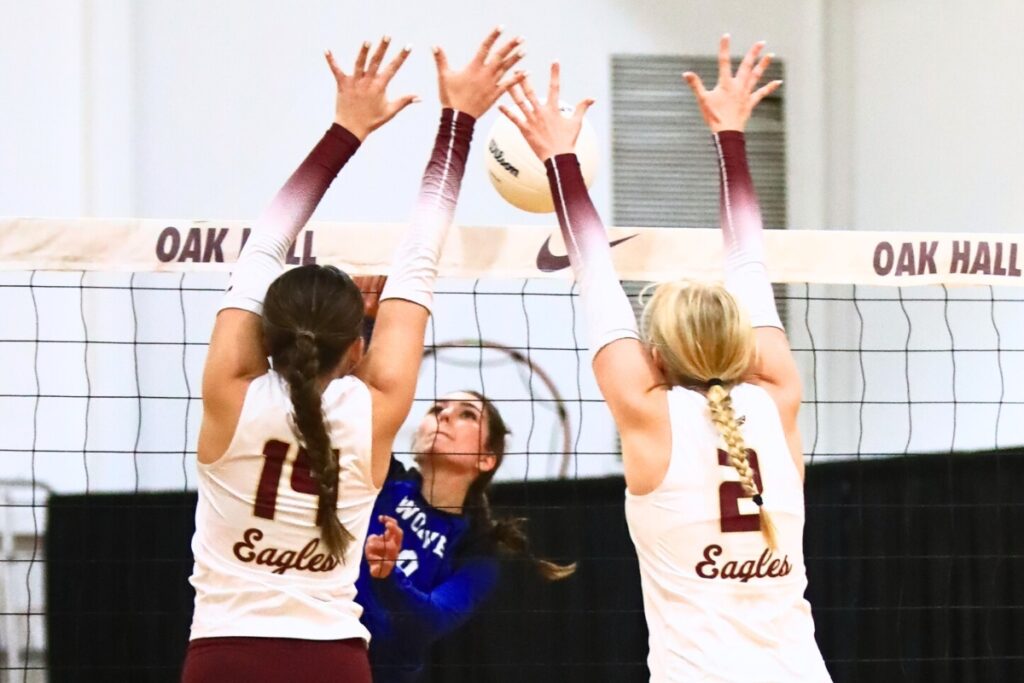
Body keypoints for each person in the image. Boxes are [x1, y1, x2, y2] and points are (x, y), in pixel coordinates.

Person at [182, 28, 525, 682]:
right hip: (331, 659)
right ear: (359, 346)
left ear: (264, 334)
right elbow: (421, 256)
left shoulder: (230, 387)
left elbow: (264, 242)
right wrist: (459, 121)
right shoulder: (376, 412)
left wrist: (346, 127)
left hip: (224, 655)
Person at [500, 35, 832, 682]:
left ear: (653, 355)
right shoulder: (777, 395)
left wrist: (560, 158)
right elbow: (749, 260)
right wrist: (731, 132)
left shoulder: (652, 418)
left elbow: (594, 273)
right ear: (747, 344)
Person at [352, 280, 575, 682]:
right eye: (437, 408)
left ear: (486, 459)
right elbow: (360, 400)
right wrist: (367, 321)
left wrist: (389, 575)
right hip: (323, 653)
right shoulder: (381, 479)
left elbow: (426, 623)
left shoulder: (477, 553)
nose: (445, 416)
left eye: (467, 414)